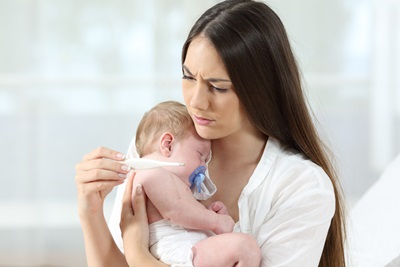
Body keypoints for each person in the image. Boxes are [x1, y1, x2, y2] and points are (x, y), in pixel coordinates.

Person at [75, 0, 347, 266]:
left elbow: (131, 258)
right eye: (189, 77)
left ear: (261, 90)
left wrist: (138, 255)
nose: (196, 101)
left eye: (217, 87)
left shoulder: (301, 187)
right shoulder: (164, 146)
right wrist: (90, 211)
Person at [130, 100, 261, 266]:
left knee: (244, 249)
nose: (204, 167)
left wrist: (208, 215)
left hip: (189, 248)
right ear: (168, 145)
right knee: (245, 247)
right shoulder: (150, 173)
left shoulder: (171, 181)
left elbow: (183, 212)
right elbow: (176, 211)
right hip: (179, 250)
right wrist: (215, 221)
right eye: (201, 155)